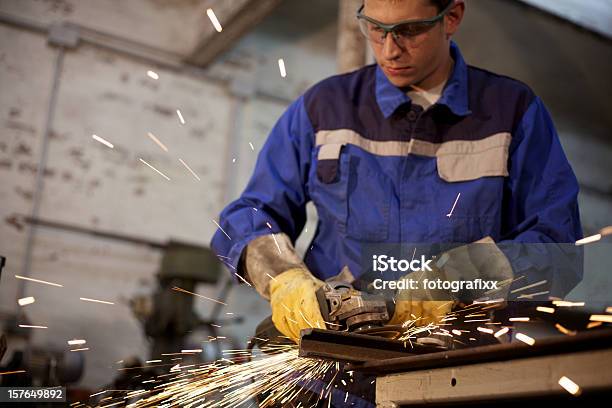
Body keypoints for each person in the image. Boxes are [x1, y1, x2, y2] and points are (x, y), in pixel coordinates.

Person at [212, 0, 582, 370]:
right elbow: (251, 214)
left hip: (459, 369)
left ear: (451, 17)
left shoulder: (511, 111)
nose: (389, 50)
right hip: (333, 372)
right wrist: (283, 277)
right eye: (375, 28)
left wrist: (458, 278)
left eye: (409, 31)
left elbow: (558, 247)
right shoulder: (325, 108)